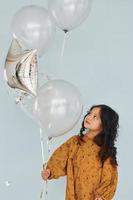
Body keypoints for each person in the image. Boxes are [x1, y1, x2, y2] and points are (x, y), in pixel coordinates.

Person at [41, 104, 119, 200]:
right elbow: (60, 158)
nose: (89, 117)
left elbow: (109, 177)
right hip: (73, 195)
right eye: (89, 114)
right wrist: (50, 171)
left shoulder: (105, 151)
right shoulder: (75, 142)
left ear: (104, 125)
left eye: (95, 117)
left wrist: (102, 196)